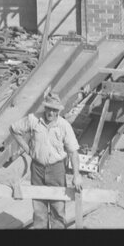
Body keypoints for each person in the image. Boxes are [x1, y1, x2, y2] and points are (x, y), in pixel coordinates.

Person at [9, 91, 80, 229]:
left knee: (58, 209)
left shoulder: (64, 126)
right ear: (45, 108)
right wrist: (27, 149)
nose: (51, 113)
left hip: (57, 170)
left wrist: (77, 175)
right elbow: (14, 129)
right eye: (49, 109)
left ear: (58, 111)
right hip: (37, 169)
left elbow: (73, 152)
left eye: (54, 110)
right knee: (39, 210)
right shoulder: (33, 120)